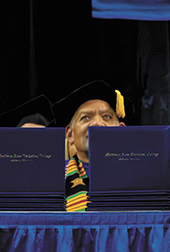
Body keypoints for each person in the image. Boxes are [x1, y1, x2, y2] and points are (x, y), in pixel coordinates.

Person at [52, 81, 128, 212]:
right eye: (86, 117)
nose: (98, 123)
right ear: (70, 134)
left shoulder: (137, 175)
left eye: (107, 117)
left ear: (121, 130)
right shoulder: (52, 178)